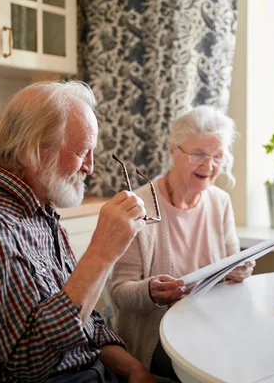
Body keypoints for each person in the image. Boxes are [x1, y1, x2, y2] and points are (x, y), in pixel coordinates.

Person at [0, 81, 163, 382]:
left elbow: (87, 323)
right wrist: (102, 251)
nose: (90, 167)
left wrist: (134, 368)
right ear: (34, 150)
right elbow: (32, 360)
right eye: (83, 151)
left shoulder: (42, 214)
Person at [107, 106, 256, 381]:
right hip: (159, 339)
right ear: (173, 150)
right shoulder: (138, 205)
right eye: (198, 154)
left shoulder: (220, 202)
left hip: (212, 325)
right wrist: (151, 291)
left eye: (218, 156)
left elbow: (232, 270)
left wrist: (239, 271)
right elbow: (118, 292)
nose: (209, 166)